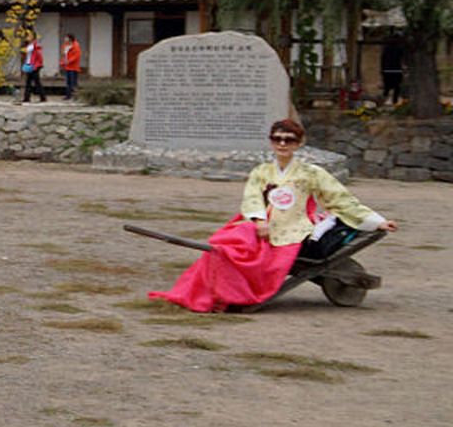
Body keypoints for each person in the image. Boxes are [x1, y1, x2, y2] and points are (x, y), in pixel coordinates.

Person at [150, 118, 399, 312]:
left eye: (289, 140)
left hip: (293, 230)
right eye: (277, 139)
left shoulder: (311, 173)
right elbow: (251, 199)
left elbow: (341, 199)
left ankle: (235, 294)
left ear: (299, 143)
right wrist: (260, 221)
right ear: (271, 141)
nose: (282, 144)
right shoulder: (261, 171)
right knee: (223, 247)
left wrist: (377, 222)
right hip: (259, 225)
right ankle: (209, 294)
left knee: (242, 252)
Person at [19, 29, 47, 102]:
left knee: (36, 82)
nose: (28, 37)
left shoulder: (35, 46)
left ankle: (42, 97)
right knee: (28, 82)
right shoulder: (29, 45)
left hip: (34, 66)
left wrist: (37, 65)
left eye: (30, 36)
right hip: (29, 64)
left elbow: (39, 57)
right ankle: (27, 97)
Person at [61, 32, 83, 100]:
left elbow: (77, 56)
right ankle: (68, 95)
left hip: (73, 67)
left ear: (70, 39)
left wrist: (69, 61)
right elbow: (63, 55)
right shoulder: (65, 46)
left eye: (66, 38)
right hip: (67, 66)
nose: (65, 39)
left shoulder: (76, 46)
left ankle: (76, 96)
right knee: (68, 82)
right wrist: (62, 62)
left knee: (73, 82)